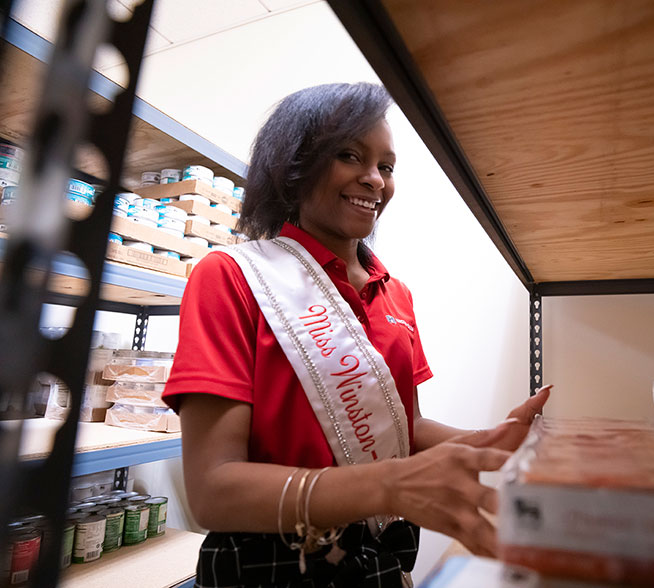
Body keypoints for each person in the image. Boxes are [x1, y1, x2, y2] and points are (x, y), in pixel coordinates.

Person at [162, 82, 551, 588]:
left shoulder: (397, 294)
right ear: (293, 165)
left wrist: (492, 443)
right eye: (350, 156)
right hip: (271, 560)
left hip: (381, 556)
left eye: (387, 167)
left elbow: (400, 426)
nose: (375, 180)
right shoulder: (231, 275)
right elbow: (214, 491)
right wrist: (388, 486)